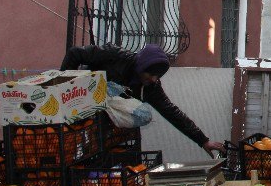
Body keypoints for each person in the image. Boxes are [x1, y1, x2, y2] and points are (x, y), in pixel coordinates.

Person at [61, 43, 224, 155]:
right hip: (87, 115)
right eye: (151, 74)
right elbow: (75, 53)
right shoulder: (114, 56)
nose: (154, 79)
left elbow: (172, 113)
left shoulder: (151, 87)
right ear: (142, 67)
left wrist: (203, 140)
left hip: (112, 134)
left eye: (158, 76)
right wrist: (66, 89)